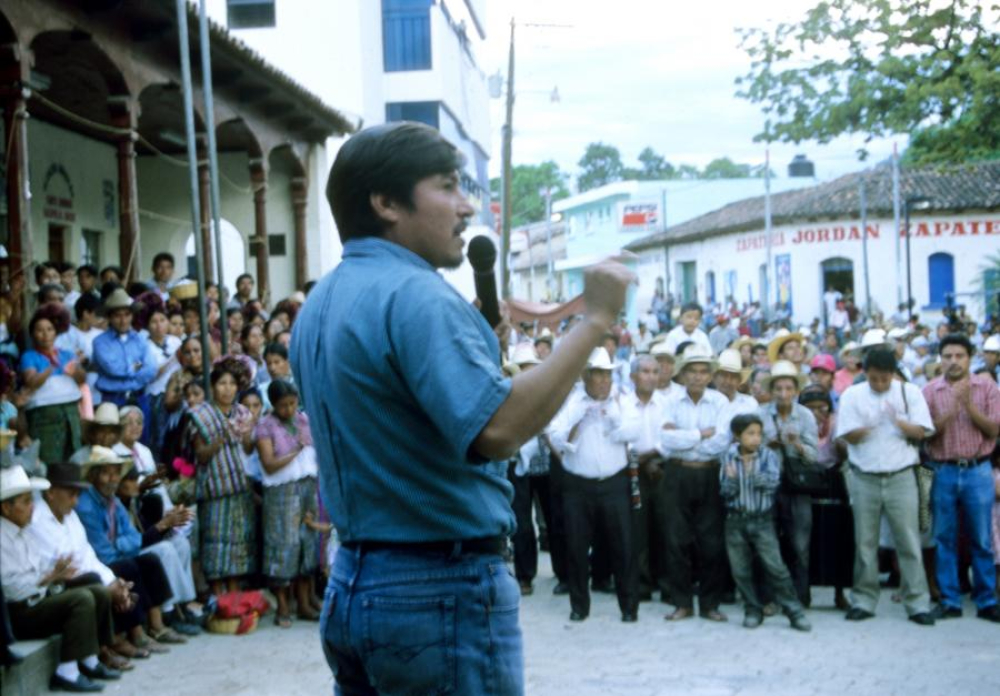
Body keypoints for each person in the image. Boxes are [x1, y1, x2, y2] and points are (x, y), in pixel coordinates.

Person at [291, 122, 634, 695]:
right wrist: (595, 319)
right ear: (386, 203)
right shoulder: (417, 295)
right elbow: (498, 430)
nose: (467, 206)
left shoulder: (321, 300)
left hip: (355, 579)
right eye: (447, 186)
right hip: (436, 587)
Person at [836, 348, 936, 625]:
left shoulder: (909, 393)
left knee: (908, 540)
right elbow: (847, 437)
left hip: (901, 475)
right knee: (865, 542)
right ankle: (864, 600)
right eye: (874, 379)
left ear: (893, 374)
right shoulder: (852, 395)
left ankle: (917, 603)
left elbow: (923, 432)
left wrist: (899, 422)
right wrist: (866, 428)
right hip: (864, 476)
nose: (880, 384)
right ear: (864, 373)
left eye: (885, 379)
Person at [1, 465, 117, 692]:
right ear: (6, 507)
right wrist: (48, 579)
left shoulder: (24, 531)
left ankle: (90, 659)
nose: (32, 507)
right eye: (26, 502)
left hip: (37, 599)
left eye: (31, 500)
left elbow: (41, 571)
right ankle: (67, 672)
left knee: (97, 590)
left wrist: (55, 576)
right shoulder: (2, 539)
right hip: (19, 612)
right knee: (81, 599)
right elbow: (10, 589)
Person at [550, 348, 641, 622]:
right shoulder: (571, 400)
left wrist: (612, 420)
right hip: (578, 485)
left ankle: (629, 607)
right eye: (599, 374)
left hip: (614, 482)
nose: (604, 380)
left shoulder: (622, 398)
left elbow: (634, 430)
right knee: (576, 547)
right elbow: (555, 435)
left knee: (623, 545)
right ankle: (579, 607)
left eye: (608, 374)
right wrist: (579, 420)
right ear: (586, 376)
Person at [75, 446, 194, 645]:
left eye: (116, 473)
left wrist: (120, 543)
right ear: (94, 476)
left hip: (116, 554)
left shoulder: (112, 500)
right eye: (106, 473)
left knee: (150, 560)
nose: (113, 479)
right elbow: (103, 553)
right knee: (129, 566)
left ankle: (157, 626)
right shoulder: (87, 505)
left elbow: (133, 537)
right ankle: (137, 634)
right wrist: (124, 545)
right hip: (96, 564)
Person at [921, 334, 1000, 623]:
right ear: (940, 359)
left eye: (959, 356)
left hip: (978, 469)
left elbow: (994, 430)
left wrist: (968, 406)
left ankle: (986, 600)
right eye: (947, 356)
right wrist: (951, 411)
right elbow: (925, 434)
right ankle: (950, 600)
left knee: (981, 538)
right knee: (945, 538)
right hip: (943, 469)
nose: (953, 362)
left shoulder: (987, 387)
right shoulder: (930, 391)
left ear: (970, 358)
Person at [29, 462, 137, 672]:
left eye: (77, 495)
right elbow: (66, 565)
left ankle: (100, 650)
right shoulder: (37, 520)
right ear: (51, 493)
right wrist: (108, 586)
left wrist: (113, 582)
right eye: (71, 494)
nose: (75, 501)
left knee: (109, 580)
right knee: (95, 585)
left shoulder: (71, 516)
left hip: (73, 577)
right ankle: (103, 649)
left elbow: (87, 555)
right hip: (51, 585)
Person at [721, 414, 812, 631]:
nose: (756, 439)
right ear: (737, 436)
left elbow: (772, 483)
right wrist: (732, 481)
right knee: (741, 570)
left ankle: (794, 611)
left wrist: (750, 473)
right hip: (735, 521)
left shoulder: (767, 456)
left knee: (776, 567)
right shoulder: (728, 456)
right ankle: (753, 610)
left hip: (762, 521)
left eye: (759, 434)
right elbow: (725, 491)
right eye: (750, 434)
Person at [659, 349, 730, 622]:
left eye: (703, 372)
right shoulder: (671, 400)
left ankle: (710, 604)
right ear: (683, 374)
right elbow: (665, 439)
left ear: (710, 376)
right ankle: (682, 603)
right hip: (677, 473)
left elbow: (721, 441)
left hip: (709, 474)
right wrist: (700, 434)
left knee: (711, 542)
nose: (697, 377)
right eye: (692, 371)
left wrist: (685, 438)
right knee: (676, 541)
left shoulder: (720, 401)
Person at [185, 357, 258, 595]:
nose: (227, 389)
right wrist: (221, 438)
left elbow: (248, 449)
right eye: (222, 383)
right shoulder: (201, 414)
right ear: (213, 386)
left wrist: (248, 433)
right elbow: (201, 455)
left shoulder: (242, 413)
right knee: (215, 545)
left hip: (240, 487)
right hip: (214, 490)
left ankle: (235, 597)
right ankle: (219, 597)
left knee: (238, 545)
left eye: (232, 384)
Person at [255, 380, 320, 627]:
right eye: (284, 405)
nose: (289, 409)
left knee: (307, 541)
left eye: (293, 403)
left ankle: (304, 602)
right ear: (274, 404)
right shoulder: (265, 426)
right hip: (281, 492)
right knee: (282, 545)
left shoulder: (303, 420)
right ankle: (283, 605)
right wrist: (296, 450)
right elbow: (269, 464)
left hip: (307, 486)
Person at [759, 361, 819, 607]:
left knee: (800, 543)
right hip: (768, 484)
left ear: (795, 390)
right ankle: (769, 597)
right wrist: (768, 444)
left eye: (788, 388)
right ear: (771, 390)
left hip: (797, 487)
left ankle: (800, 596)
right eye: (778, 388)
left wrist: (797, 445)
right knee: (767, 542)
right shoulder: (761, 414)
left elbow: (814, 456)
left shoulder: (805, 415)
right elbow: (749, 449)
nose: (783, 394)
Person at [507, 343, 564, 596]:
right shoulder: (507, 397)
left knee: (555, 519)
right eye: (523, 368)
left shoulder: (548, 394)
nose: (528, 373)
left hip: (546, 465)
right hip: (519, 465)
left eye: (531, 368)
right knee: (522, 522)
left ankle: (563, 573)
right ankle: (525, 576)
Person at [798, 386, 852, 611]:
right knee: (807, 539)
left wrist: (841, 444)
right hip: (805, 479)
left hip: (832, 478)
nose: (817, 412)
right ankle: (805, 592)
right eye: (810, 408)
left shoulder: (836, 422)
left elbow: (845, 454)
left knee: (839, 538)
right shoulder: (798, 422)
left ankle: (839, 593)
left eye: (822, 407)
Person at [627, 354, 671, 603]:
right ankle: (642, 583)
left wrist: (653, 456)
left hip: (662, 468)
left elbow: (671, 437)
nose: (651, 377)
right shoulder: (623, 403)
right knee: (638, 527)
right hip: (633, 470)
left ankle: (666, 583)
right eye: (645, 371)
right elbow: (620, 437)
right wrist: (642, 460)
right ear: (633, 376)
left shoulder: (667, 403)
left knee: (665, 527)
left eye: (655, 372)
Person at [19, 303, 86, 464]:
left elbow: (82, 379)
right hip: (44, 416)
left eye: (49, 329)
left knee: (73, 458)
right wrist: (51, 367)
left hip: (70, 413)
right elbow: (31, 382)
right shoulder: (29, 356)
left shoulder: (67, 354)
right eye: (40, 330)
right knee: (49, 461)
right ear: (33, 334)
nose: (45, 334)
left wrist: (75, 371)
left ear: (56, 332)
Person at [91, 289, 157, 434]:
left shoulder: (140, 339)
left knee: (142, 440)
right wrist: (138, 365)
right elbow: (114, 369)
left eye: (127, 315)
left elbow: (151, 368)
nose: (123, 320)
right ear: (109, 317)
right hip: (113, 399)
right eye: (117, 316)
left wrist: (134, 368)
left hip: (139, 397)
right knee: (113, 440)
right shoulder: (100, 342)